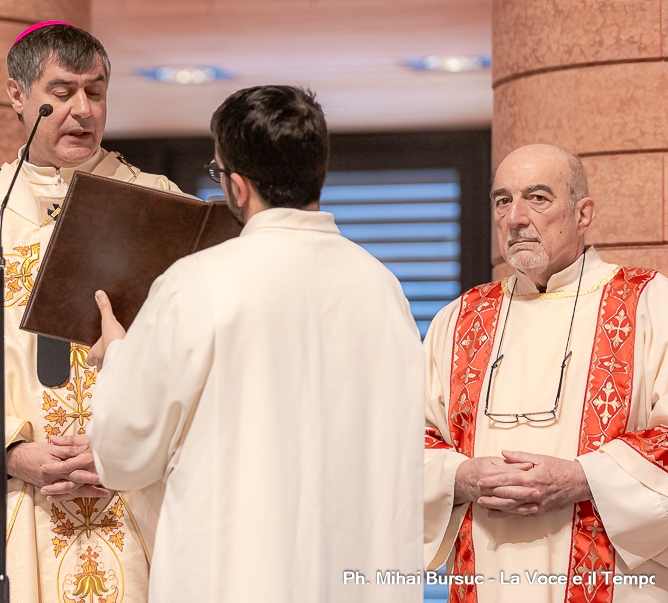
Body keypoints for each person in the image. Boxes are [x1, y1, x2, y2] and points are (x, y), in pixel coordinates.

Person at [76, 85, 425, 602]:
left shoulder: (198, 282)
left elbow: (124, 452)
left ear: (237, 186)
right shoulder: (381, 286)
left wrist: (117, 357)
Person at [0, 22, 183, 603]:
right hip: (15, 504)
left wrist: (127, 447)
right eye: (62, 91)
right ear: (18, 97)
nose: (82, 110)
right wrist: (14, 454)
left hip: (136, 497)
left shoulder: (159, 206)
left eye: (95, 92)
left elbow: (196, 357)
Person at [423, 143, 668, 602]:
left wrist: (583, 478)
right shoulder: (458, 320)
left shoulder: (651, 304)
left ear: (583, 214)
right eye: (502, 201)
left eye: (537, 198)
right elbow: (405, 442)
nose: (515, 218)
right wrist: (461, 476)